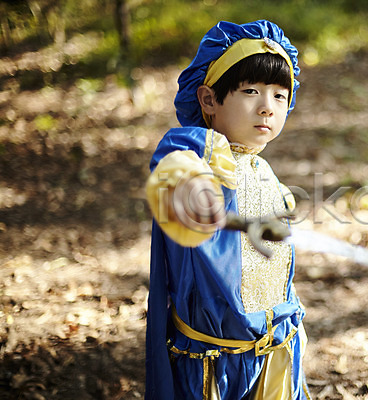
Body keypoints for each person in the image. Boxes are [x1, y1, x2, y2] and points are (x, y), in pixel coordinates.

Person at [144, 20, 310, 400]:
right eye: (250, 91)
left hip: (273, 355)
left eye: (280, 95)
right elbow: (172, 168)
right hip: (213, 368)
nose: (267, 107)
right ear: (208, 100)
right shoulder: (201, 154)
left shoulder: (265, 173)